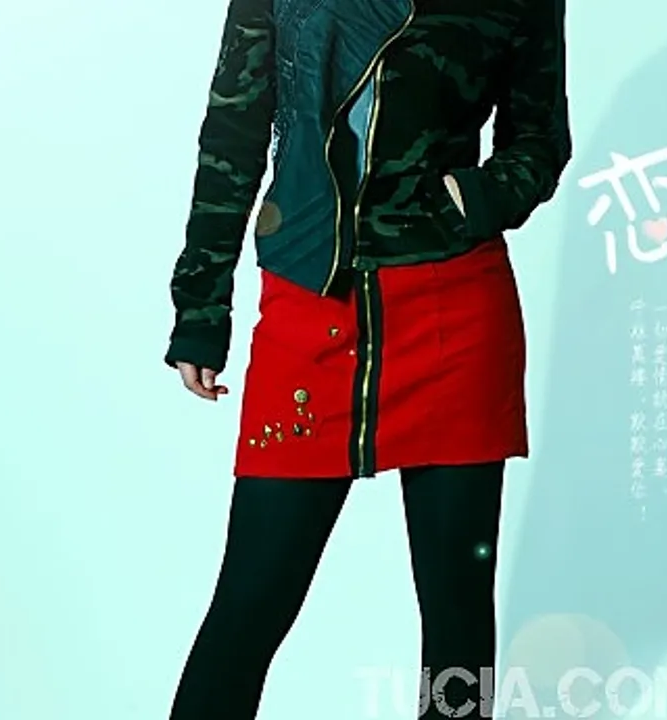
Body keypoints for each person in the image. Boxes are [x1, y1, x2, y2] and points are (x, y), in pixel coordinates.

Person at [163, 0, 570, 716]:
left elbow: (540, 137)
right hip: (311, 297)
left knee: (457, 614)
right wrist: (201, 307)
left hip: (452, 309)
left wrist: (474, 199)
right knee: (251, 602)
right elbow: (233, 128)